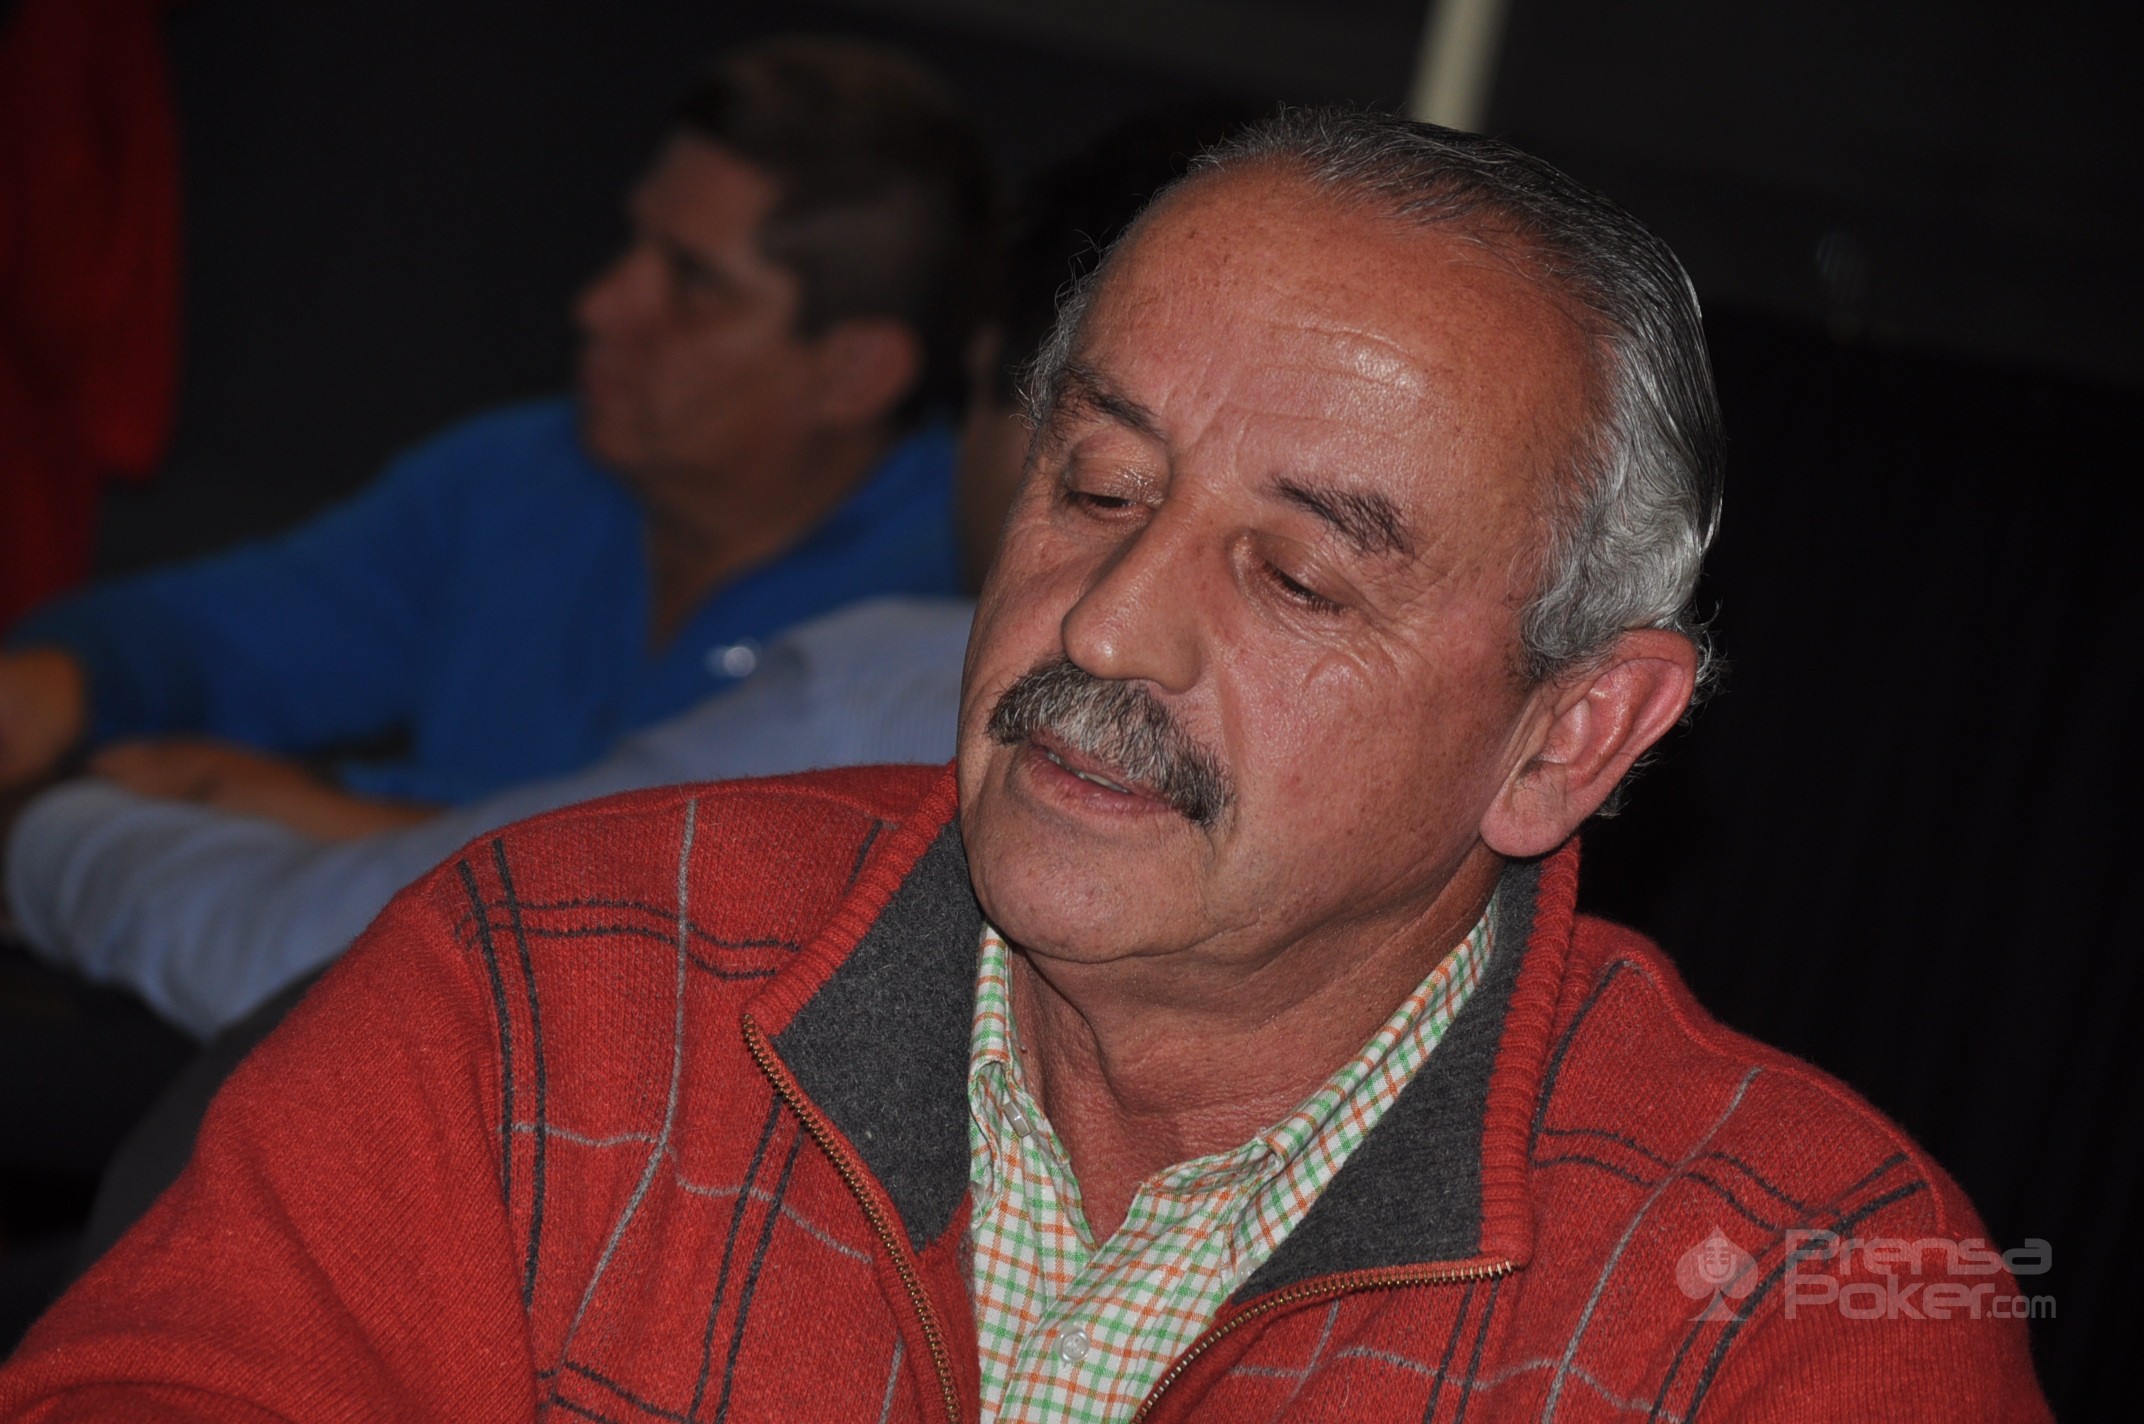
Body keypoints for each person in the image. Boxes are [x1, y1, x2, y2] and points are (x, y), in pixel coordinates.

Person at [0, 109, 2049, 1420]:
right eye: (1094, 486)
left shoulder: (1788, 1311)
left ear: (1564, 732)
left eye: (1296, 573)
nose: (1105, 626)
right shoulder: (558, 979)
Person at [0, 36, 992, 833]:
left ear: (854, 373)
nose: (602, 305)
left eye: (692, 283)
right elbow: (233, 635)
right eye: (633, 245)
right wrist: (61, 684)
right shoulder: (525, 474)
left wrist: (347, 825)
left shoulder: (960, 606)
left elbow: (726, 911)